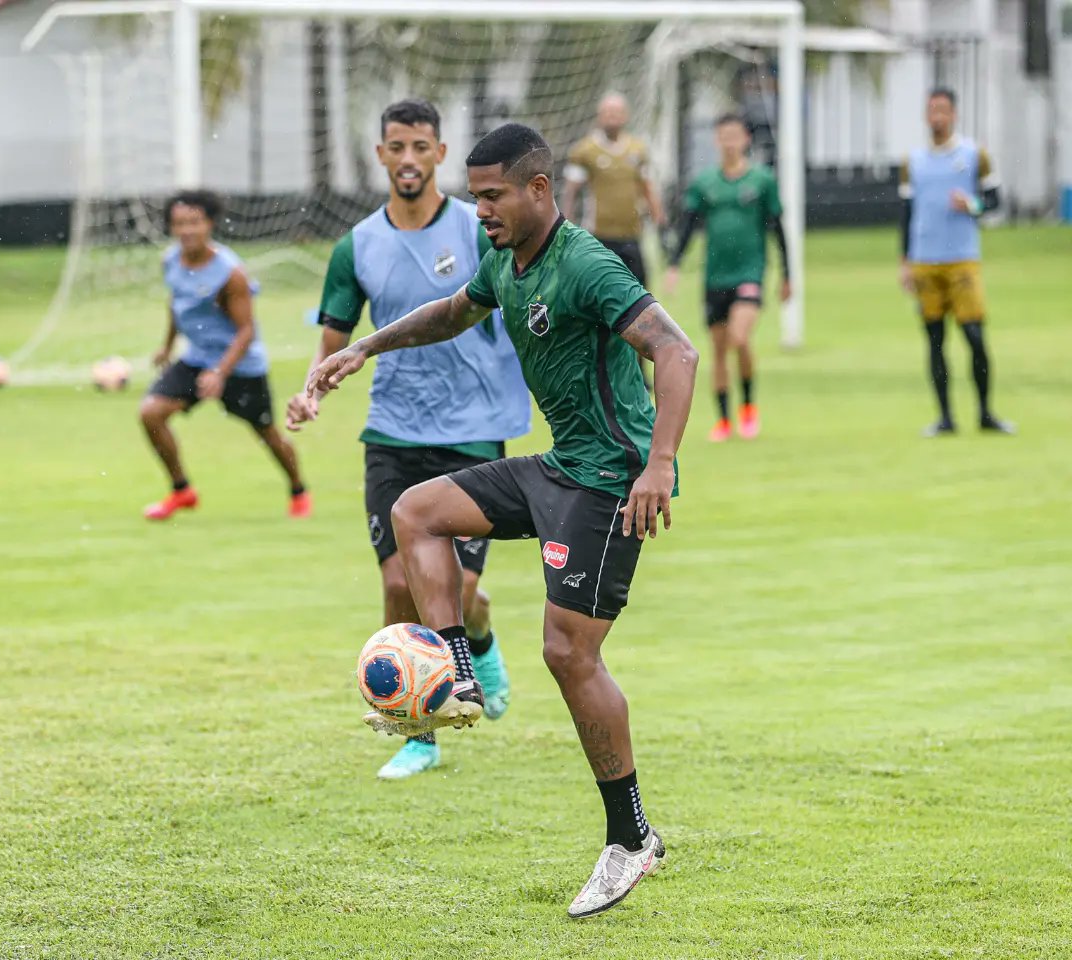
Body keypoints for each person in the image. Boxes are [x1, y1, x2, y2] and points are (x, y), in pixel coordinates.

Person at [304, 123, 699, 919]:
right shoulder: (505, 262)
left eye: (492, 195)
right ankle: (455, 671)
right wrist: (362, 349)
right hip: (560, 466)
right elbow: (452, 312)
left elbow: (677, 351)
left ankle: (631, 839)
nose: (478, 208)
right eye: (476, 195)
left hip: (609, 480)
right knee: (416, 511)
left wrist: (658, 466)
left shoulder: (585, 263)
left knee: (567, 653)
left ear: (538, 190)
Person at [286, 99, 528, 781]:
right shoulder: (356, 246)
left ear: (441, 154)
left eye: (422, 146)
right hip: (393, 430)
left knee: (460, 593)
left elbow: (515, 314)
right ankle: (416, 729)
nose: (410, 159)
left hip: (473, 431)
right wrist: (311, 391)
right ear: (381, 155)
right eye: (397, 147)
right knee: (398, 582)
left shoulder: (477, 230)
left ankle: (477, 637)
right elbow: (334, 341)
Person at [140, 190, 310, 520]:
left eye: (194, 222)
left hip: (241, 366)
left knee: (267, 434)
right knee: (151, 413)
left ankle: (298, 490)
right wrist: (167, 345)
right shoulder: (170, 261)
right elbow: (176, 305)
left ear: (210, 224)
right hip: (197, 359)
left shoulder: (230, 273)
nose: (186, 230)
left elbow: (247, 331)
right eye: (179, 223)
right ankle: (182, 490)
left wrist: (220, 372)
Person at [665, 113, 790, 442]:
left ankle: (748, 407)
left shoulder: (762, 181)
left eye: (735, 135)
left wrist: (788, 274)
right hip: (715, 277)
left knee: (740, 338)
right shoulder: (706, 183)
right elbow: (689, 225)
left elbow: (778, 228)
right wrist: (675, 264)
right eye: (723, 136)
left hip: (750, 273)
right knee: (718, 350)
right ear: (717, 140)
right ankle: (723, 420)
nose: (729, 142)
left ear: (746, 139)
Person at [898, 88, 1013, 437]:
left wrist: (973, 206)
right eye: (932, 110)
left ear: (954, 114)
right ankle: (945, 417)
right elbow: (905, 212)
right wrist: (904, 260)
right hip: (925, 261)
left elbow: (994, 201)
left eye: (943, 110)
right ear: (925, 115)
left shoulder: (974, 155)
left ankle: (985, 412)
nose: (937, 117)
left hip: (962, 259)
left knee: (974, 335)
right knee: (934, 339)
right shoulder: (913, 161)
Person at [562, 92, 666, 290]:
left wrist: (659, 218)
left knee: (638, 292)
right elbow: (571, 192)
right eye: (608, 112)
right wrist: (568, 225)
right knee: (599, 292)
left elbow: (647, 186)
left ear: (626, 115)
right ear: (599, 116)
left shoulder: (637, 149)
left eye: (617, 112)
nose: (612, 116)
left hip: (631, 236)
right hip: (598, 237)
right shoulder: (584, 150)